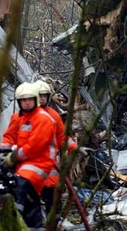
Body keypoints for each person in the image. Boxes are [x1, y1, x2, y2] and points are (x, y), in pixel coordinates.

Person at [0, 81, 56, 229]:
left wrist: (12, 157)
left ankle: (16, 221)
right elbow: (9, 136)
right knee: (28, 197)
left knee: (21, 187)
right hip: (23, 162)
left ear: (35, 100)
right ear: (19, 102)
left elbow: (33, 147)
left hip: (39, 163)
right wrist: (3, 152)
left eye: (29, 99)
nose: (26, 103)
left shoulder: (43, 119)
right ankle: (33, 226)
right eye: (23, 100)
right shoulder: (19, 117)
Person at [35, 79, 79, 226]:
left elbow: (63, 138)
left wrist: (76, 148)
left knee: (53, 210)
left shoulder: (54, 115)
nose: (42, 98)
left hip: (50, 174)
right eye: (40, 95)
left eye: (45, 95)